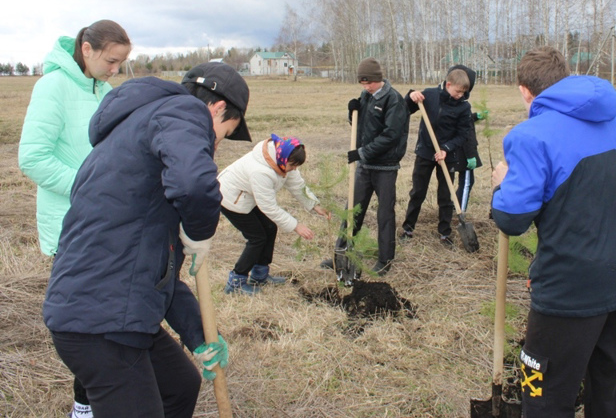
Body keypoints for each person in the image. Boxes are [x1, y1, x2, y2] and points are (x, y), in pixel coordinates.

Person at [43, 62, 251, 417]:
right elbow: (194, 184)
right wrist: (201, 232)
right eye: (222, 134)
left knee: (180, 386)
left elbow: (156, 272)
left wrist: (199, 335)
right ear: (216, 109)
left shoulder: (136, 142)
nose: (212, 145)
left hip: (111, 308)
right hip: (101, 321)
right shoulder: (183, 111)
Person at [491, 46, 616, 418]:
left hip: (568, 293)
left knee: (543, 397)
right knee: (611, 393)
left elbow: (512, 220)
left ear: (525, 90)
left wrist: (503, 184)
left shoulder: (532, 136)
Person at [18, 19, 131, 418]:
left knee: (105, 316)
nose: (115, 70)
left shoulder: (103, 90)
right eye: (112, 61)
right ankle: (83, 407)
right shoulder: (53, 87)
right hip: (71, 225)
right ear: (87, 49)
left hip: (105, 220)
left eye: (121, 64)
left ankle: (95, 397)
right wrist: (89, 186)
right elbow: (32, 157)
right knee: (85, 323)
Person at [218, 134, 330, 294]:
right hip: (230, 199)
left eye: (296, 166)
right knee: (257, 237)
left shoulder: (282, 159)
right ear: (283, 159)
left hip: (247, 197)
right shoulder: (261, 171)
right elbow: (269, 207)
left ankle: (259, 275)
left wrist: (315, 205)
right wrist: (296, 226)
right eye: (292, 166)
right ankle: (236, 281)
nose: (294, 169)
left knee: (270, 228)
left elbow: (297, 185)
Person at [341, 57, 409, 276]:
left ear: (378, 79)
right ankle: (342, 251)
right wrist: (353, 114)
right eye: (362, 83)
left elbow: (390, 135)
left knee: (385, 214)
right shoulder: (366, 96)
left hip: (385, 167)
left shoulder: (393, 100)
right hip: (365, 165)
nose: (365, 87)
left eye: (368, 82)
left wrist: (361, 152)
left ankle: (385, 259)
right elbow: (363, 129)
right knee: (353, 209)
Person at [399, 68, 472, 246]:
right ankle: (408, 229)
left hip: (447, 156)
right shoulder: (430, 95)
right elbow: (405, 109)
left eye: (463, 92)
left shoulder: (464, 107)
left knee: (446, 196)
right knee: (418, 192)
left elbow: (463, 134)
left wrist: (446, 149)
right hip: (425, 151)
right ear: (448, 85)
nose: (460, 95)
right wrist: (411, 95)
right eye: (457, 91)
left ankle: (445, 233)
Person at [446, 64, 487, 214]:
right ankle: (460, 212)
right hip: (463, 149)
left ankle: (449, 208)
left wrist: (475, 116)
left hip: (451, 147)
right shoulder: (463, 102)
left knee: (448, 181)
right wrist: (470, 155)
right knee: (467, 181)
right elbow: (466, 131)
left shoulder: (451, 99)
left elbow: (460, 121)